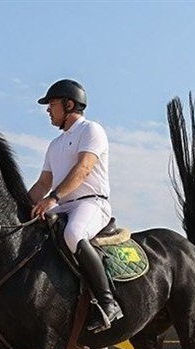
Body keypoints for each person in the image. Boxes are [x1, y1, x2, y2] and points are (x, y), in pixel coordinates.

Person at [29, 79, 123, 332]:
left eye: (52, 104)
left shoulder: (91, 130)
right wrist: (21, 206)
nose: (49, 109)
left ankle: (107, 302)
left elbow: (83, 169)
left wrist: (53, 198)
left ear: (69, 104)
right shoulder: (54, 145)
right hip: (61, 205)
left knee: (73, 234)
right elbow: (42, 183)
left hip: (91, 204)